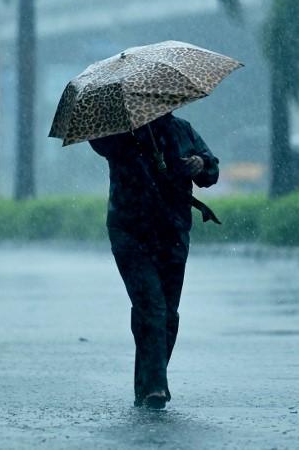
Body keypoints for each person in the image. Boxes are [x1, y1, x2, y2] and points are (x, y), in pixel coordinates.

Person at [89, 111, 219, 410]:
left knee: (168, 313)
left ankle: (146, 385)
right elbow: (98, 143)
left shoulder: (182, 130)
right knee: (152, 306)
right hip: (130, 232)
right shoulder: (119, 133)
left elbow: (210, 171)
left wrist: (200, 164)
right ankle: (155, 386)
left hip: (173, 233)